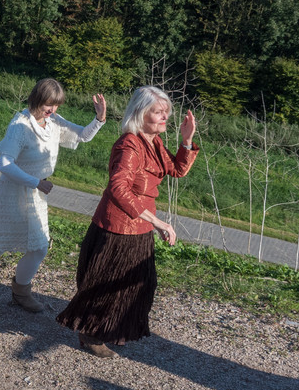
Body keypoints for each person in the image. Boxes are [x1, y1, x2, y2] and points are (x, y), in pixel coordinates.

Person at [56, 86, 198, 358]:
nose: (164, 117)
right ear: (141, 113)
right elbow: (118, 189)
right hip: (117, 228)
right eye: (158, 112)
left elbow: (177, 169)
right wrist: (159, 222)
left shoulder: (153, 142)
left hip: (141, 226)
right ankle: (92, 332)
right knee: (107, 284)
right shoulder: (129, 145)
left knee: (139, 284)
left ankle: (108, 328)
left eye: (166, 112)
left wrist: (187, 140)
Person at [0, 78, 107, 310]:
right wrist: (35, 182)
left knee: (1, 239)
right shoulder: (21, 125)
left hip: (36, 192)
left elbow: (82, 136)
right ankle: (20, 293)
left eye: (57, 105)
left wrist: (99, 118)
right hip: (16, 191)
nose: (53, 110)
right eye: (49, 104)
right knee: (37, 247)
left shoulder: (53, 121)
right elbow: (5, 164)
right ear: (37, 98)